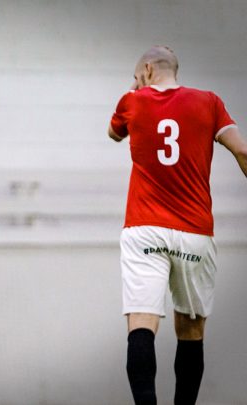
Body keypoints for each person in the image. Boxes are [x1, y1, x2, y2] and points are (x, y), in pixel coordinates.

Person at [109, 45, 247, 405]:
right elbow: (243, 152)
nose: (135, 82)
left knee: (141, 324)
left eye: (138, 76)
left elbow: (114, 133)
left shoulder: (131, 101)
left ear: (149, 69)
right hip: (195, 232)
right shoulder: (210, 102)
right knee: (191, 330)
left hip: (144, 230)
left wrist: (136, 93)